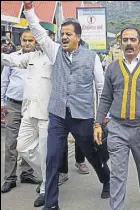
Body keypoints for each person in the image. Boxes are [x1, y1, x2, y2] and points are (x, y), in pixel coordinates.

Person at [23, 2, 110, 209]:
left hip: (82, 117)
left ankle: (106, 178)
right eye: (62, 33)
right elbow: (39, 32)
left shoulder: (92, 58)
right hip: (58, 115)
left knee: (91, 154)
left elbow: (101, 88)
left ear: (78, 37)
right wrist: (28, 9)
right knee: (52, 157)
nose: (63, 37)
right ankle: (51, 204)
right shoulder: (55, 52)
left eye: (68, 34)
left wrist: (100, 119)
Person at [94, 26, 140, 210]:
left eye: (133, 40)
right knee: (117, 173)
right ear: (120, 42)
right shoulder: (112, 67)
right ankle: (116, 207)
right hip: (118, 127)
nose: (129, 43)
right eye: (125, 40)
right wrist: (98, 122)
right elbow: (106, 98)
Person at [1, 31, 54, 207]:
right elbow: (10, 60)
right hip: (27, 111)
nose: (36, 42)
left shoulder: (56, 56)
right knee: (22, 147)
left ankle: (47, 187)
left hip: (47, 114)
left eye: (39, 38)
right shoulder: (31, 56)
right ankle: (49, 174)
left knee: (45, 151)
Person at [1, 30, 40, 194]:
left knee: (29, 141)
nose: (27, 43)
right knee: (11, 142)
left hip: (32, 106)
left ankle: (27, 173)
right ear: (20, 41)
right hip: (14, 104)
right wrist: (2, 102)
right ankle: (9, 178)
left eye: (30, 40)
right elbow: (4, 81)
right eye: (24, 40)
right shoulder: (13, 58)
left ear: (35, 42)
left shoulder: (40, 58)